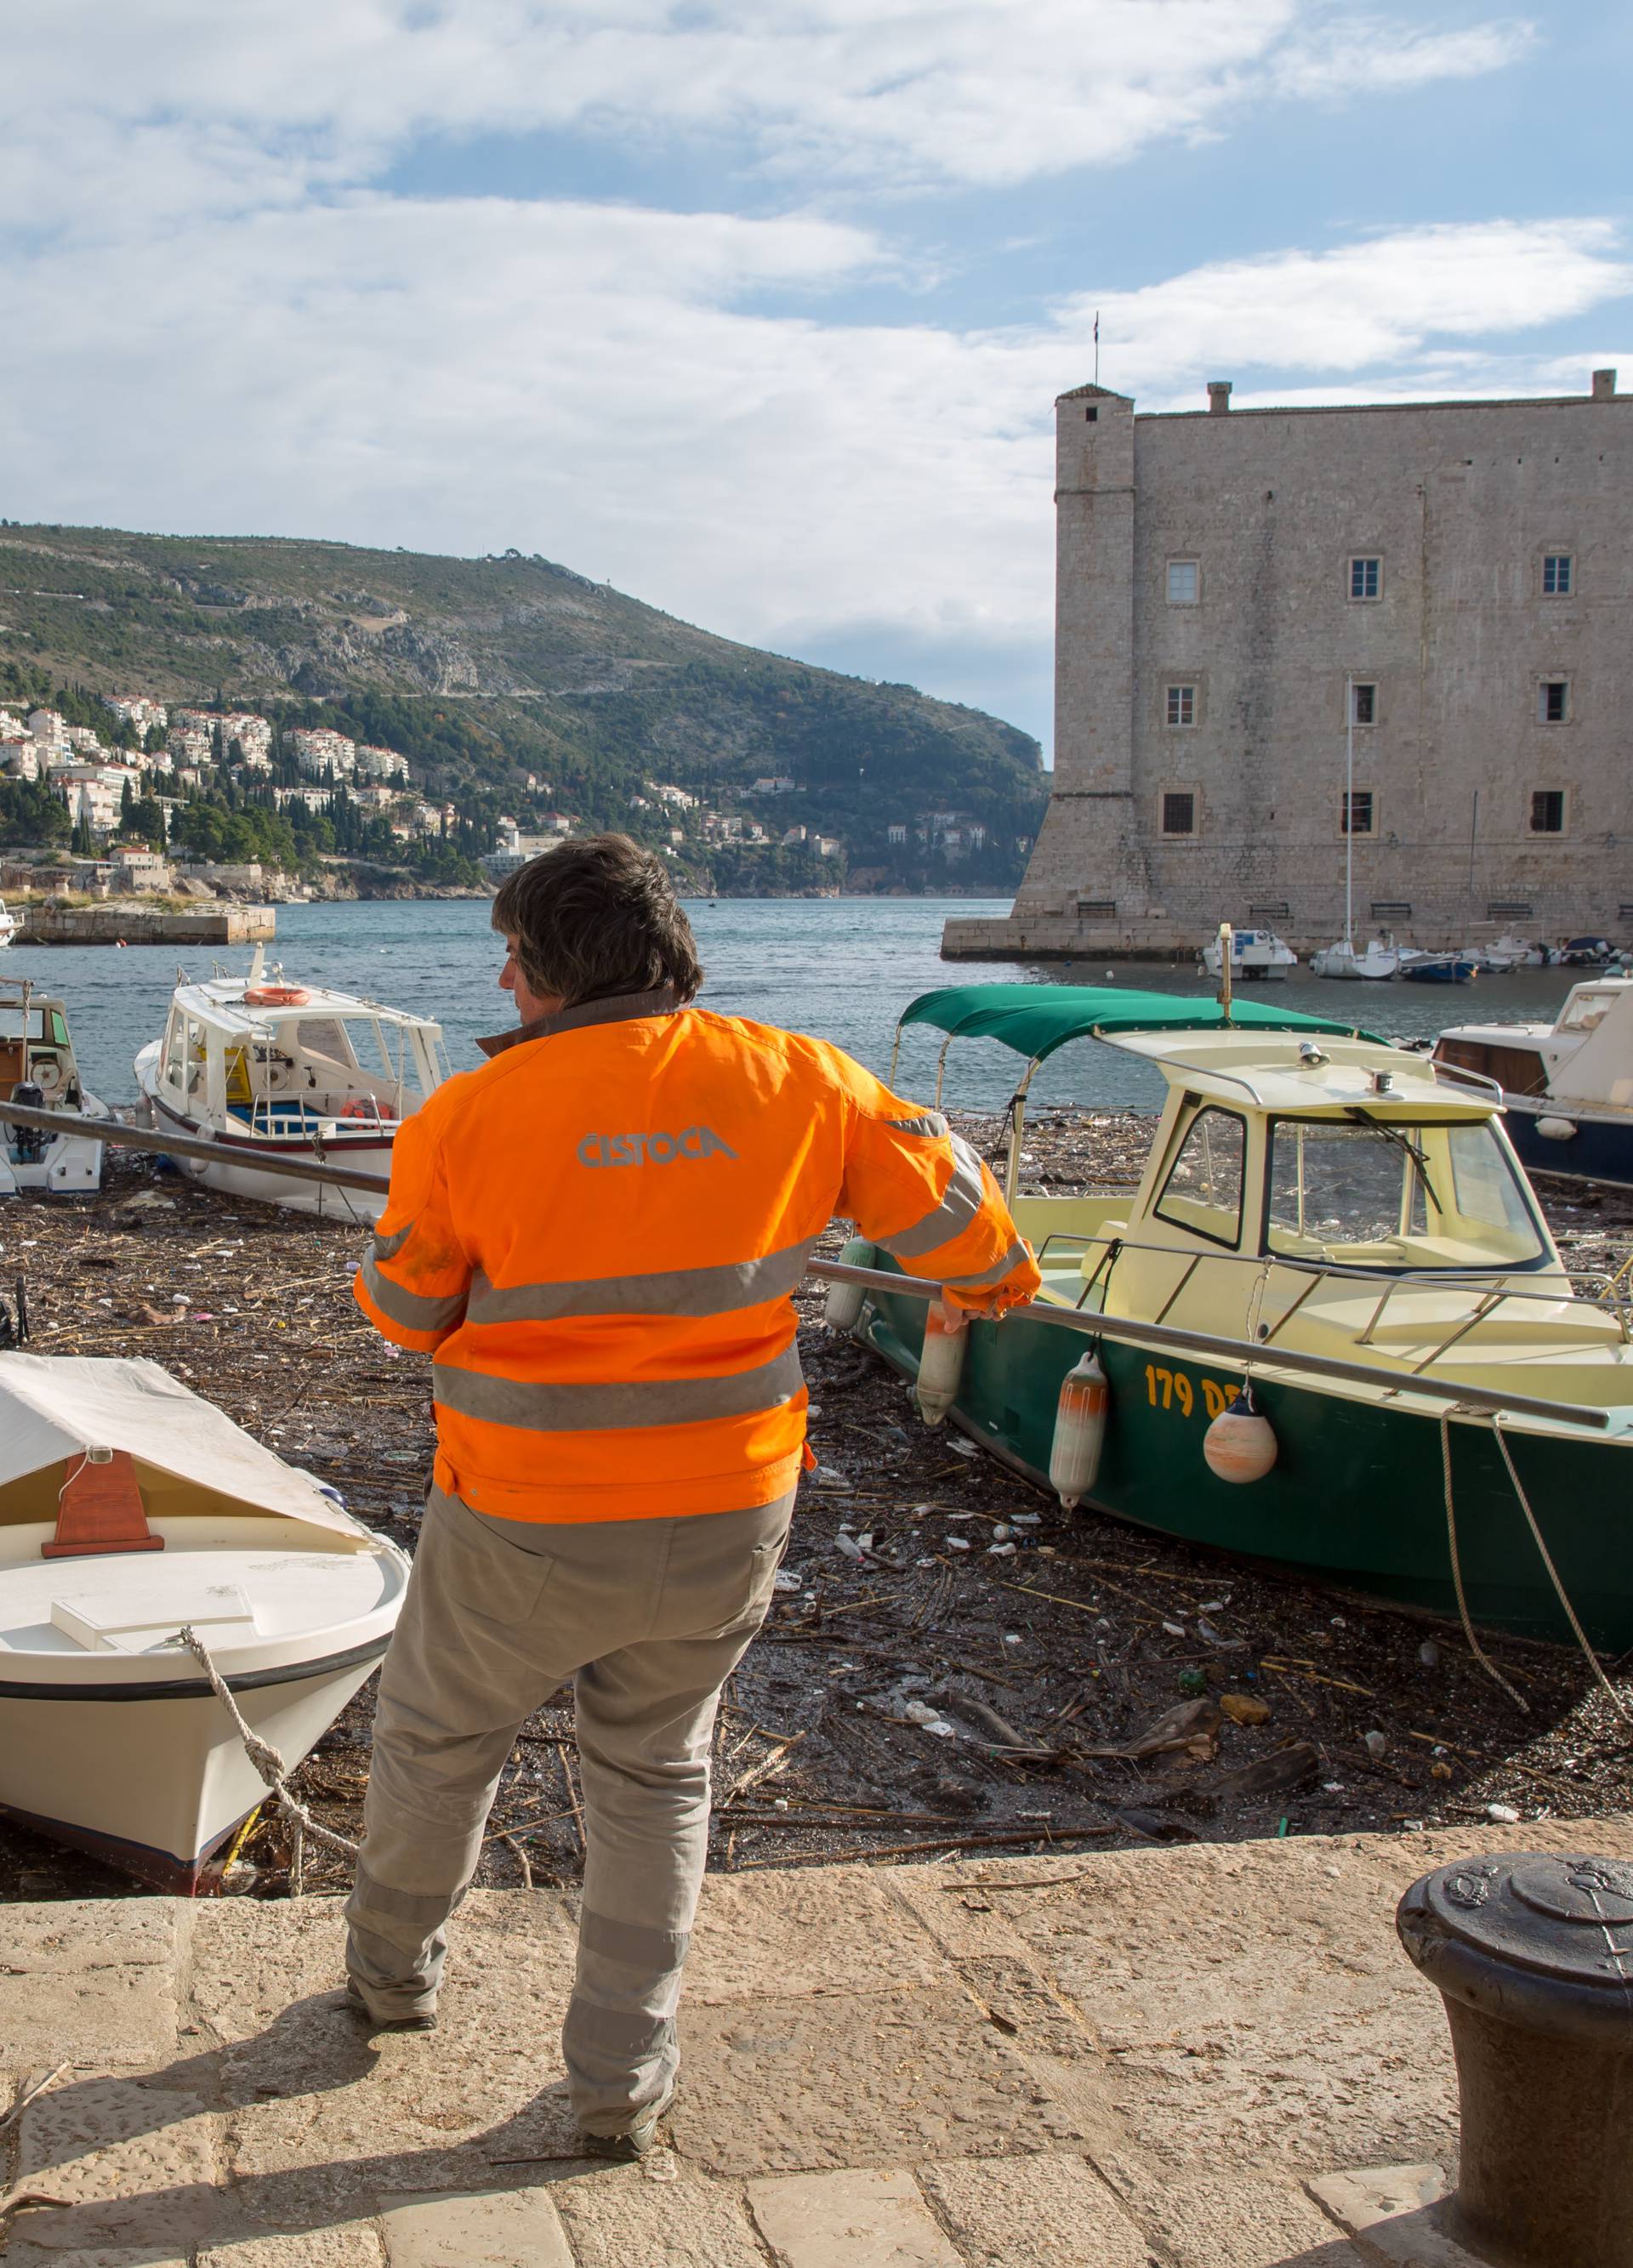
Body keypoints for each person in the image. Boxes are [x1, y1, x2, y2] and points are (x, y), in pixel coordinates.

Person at [344, 834, 1039, 2156]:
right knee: (659, 1772)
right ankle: (621, 2079)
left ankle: (388, 1982)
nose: (499, 982)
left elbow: (405, 1311)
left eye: (511, 958)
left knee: (438, 1744)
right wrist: (993, 1282)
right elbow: (965, 1230)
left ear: (552, 976)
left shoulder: (463, 1117)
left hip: (521, 1510)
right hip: (727, 1505)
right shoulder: (805, 1076)